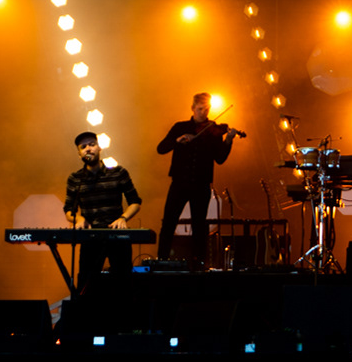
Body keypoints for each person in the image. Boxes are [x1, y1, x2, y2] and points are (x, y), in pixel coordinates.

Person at [156, 92, 238, 267]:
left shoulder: (213, 131)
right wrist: (177, 141)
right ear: (193, 108)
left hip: (201, 185)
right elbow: (161, 148)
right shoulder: (180, 127)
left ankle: (198, 263)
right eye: (200, 109)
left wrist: (228, 141)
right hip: (179, 182)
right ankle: (161, 260)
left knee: (199, 225)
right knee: (169, 221)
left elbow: (220, 159)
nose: (204, 113)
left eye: (207, 109)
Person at [63, 131, 142, 293]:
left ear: (99, 148)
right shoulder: (75, 179)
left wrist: (123, 218)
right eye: (83, 147)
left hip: (117, 236)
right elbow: (69, 210)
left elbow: (135, 202)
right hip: (90, 237)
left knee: (124, 285)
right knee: (86, 285)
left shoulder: (118, 172)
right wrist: (78, 219)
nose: (88, 149)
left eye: (92, 144)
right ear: (79, 154)